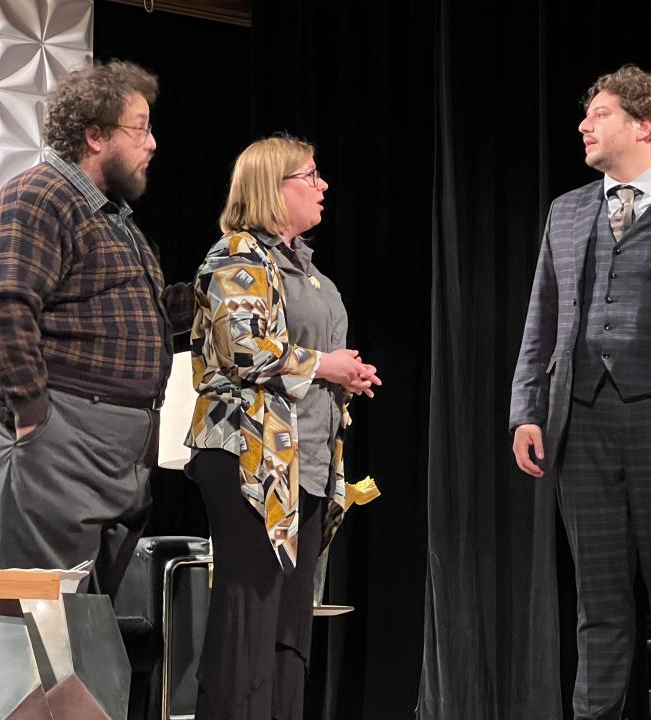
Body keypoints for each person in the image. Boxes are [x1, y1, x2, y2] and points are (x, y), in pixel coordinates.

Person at [510, 64, 651, 719]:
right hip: (580, 424)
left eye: (601, 113)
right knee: (599, 601)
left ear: (645, 125)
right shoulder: (568, 210)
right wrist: (525, 410)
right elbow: (543, 316)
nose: (584, 124)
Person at [0, 60, 191, 596]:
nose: (152, 142)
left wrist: (213, 299)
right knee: (42, 617)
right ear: (95, 135)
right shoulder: (39, 195)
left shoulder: (113, 217)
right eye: (140, 127)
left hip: (111, 451)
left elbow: (135, 317)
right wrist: (32, 416)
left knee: (82, 621)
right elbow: (1, 305)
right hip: (59, 434)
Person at [185, 134, 380, 720]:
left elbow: (308, 351)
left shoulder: (307, 269)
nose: (323, 186)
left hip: (307, 461)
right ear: (274, 188)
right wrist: (324, 364)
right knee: (250, 614)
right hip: (251, 457)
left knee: (293, 623)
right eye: (311, 176)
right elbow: (243, 347)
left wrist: (345, 374)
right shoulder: (238, 255)